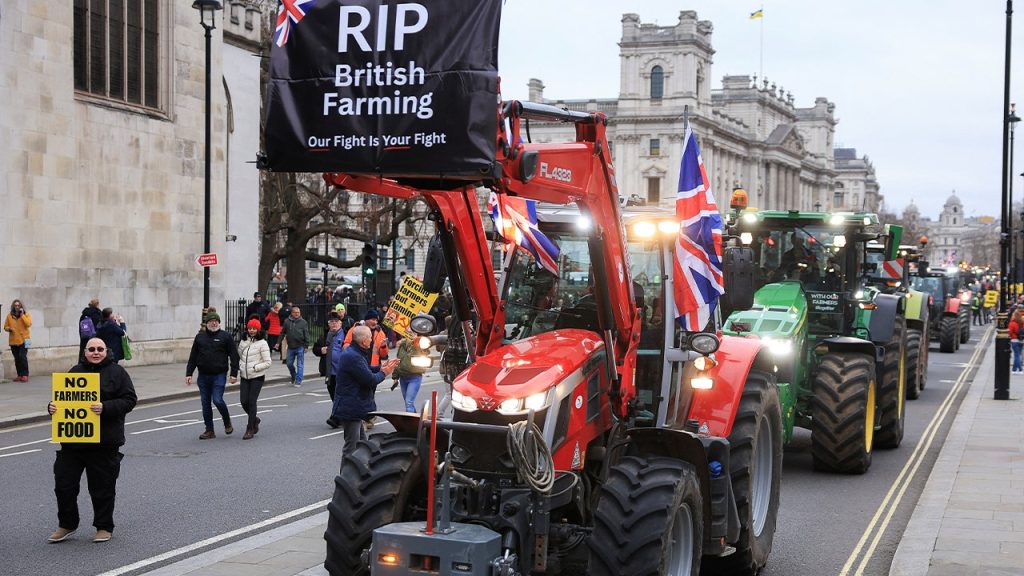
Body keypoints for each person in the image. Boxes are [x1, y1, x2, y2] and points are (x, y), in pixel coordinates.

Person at [46, 337, 137, 544]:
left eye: (100, 349)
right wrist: (52, 407)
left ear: (106, 351)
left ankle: (104, 527)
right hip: (73, 442)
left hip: (104, 443)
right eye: (92, 349)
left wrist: (105, 407)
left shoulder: (117, 373)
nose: (96, 352)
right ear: (85, 352)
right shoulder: (75, 371)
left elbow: (129, 400)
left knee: (102, 487)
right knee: (64, 486)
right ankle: (67, 524)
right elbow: (63, 400)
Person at [331, 326, 399, 463]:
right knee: (351, 448)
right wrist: (385, 372)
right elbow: (370, 380)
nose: (371, 340)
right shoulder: (353, 356)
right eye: (369, 337)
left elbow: (364, 369)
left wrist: (381, 367)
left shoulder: (355, 352)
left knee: (363, 446)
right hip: (350, 408)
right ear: (363, 341)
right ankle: (346, 479)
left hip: (353, 407)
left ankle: (362, 476)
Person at [185, 312, 239, 439]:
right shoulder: (200, 337)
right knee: (205, 404)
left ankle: (227, 421)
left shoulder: (225, 337)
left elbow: (234, 356)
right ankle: (209, 430)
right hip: (203, 376)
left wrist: (233, 373)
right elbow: (193, 357)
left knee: (217, 400)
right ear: (207, 323)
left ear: (219, 323)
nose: (214, 323)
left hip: (219, 375)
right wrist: (189, 373)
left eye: (216, 321)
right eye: (211, 321)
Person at [237, 319, 272, 439]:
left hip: (257, 376)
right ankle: (255, 419)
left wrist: (255, 367)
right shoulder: (243, 341)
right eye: (250, 328)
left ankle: (250, 428)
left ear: (258, 330)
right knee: (243, 401)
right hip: (244, 376)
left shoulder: (262, 343)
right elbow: (240, 355)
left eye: (254, 328)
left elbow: (268, 362)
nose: (252, 331)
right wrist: (241, 367)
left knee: (252, 402)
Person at [315, 312, 347, 428]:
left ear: (340, 323)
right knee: (333, 395)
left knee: (340, 395)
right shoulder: (325, 335)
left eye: (336, 322)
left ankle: (335, 418)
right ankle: (341, 417)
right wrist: (320, 350)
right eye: (332, 322)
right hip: (330, 372)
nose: (334, 324)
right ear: (329, 324)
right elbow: (315, 348)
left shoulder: (346, 334)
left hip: (343, 371)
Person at [394, 335, 429, 413]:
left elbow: (426, 352)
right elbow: (397, 362)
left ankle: (409, 423)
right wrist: (395, 377)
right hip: (403, 377)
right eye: (409, 333)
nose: (412, 335)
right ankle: (416, 422)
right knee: (408, 403)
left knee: (409, 402)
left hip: (415, 377)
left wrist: (418, 344)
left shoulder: (419, 344)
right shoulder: (401, 346)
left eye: (414, 333)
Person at [3, 299, 32, 381]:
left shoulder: (26, 315)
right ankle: (19, 375)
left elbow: (28, 324)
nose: (17, 307)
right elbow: (5, 327)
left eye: (18, 305)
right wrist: (9, 329)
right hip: (13, 340)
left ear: (21, 306)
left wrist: (22, 315)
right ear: (13, 306)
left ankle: (25, 375)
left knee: (22, 357)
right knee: (17, 358)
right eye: (15, 305)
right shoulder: (9, 316)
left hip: (25, 340)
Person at [282, 305, 310, 387]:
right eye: (295, 312)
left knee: (300, 364)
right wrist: (278, 342)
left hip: (300, 346)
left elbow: (306, 334)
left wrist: (306, 346)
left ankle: (298, 380)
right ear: (292, 313)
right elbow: (282, 332)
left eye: (298, 312)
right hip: (290, 346)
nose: (297, 314)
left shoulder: (303, 322)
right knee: (289, 363)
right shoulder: (287, 321)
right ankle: (294, 375)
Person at [78, 299, 103, 363]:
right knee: (93, 352)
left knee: (84, 352)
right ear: (97, 304)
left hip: (84, 337)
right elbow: (100, 326)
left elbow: (80, 327)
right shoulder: (98, 314)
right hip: (94, 337)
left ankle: (82, 365)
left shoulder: (84, 314)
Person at [1011, 309, 1024, 374]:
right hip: (1021, 341)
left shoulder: (1012, 323)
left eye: (1013, 315)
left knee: (1016, 355)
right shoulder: (1022, 323)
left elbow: (1010, 332)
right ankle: (1016, 369)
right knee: (1018, 355)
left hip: (1014, 340)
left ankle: (1018, 370)